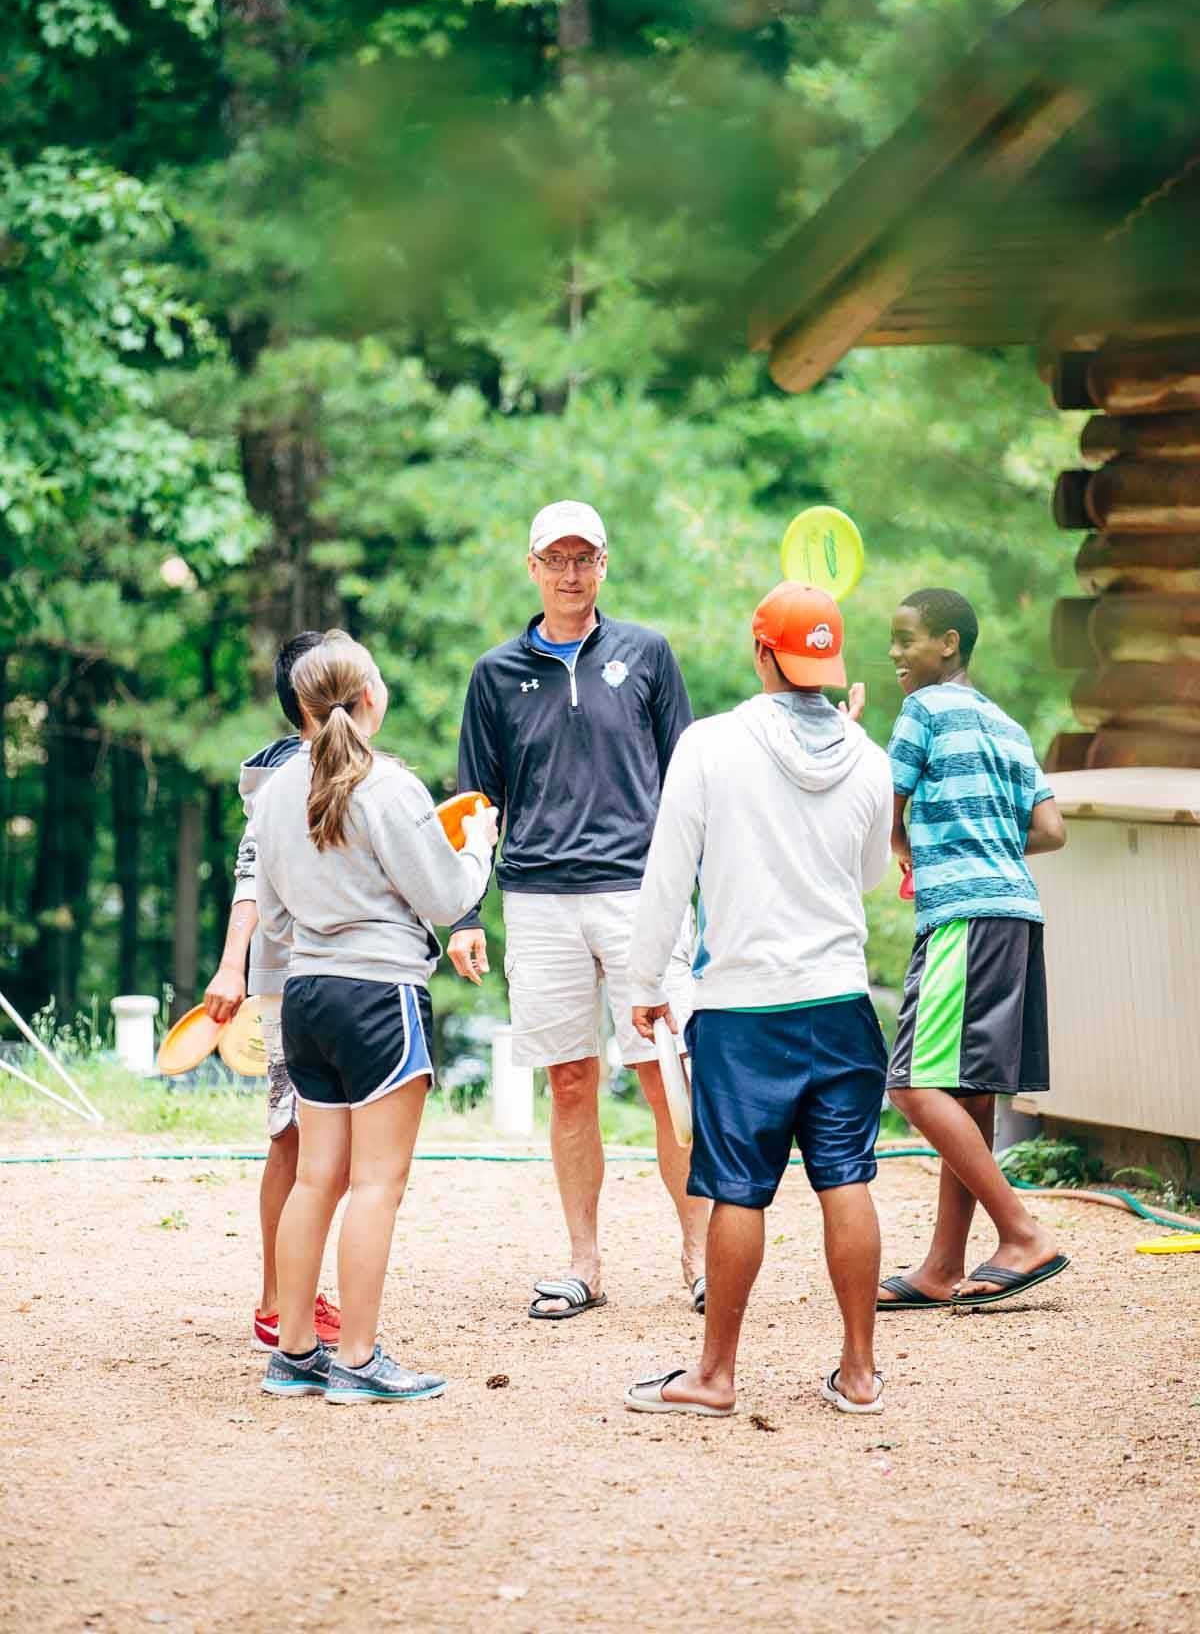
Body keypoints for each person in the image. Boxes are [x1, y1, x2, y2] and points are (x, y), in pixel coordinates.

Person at [624, 582, 893, 1417]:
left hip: (743, 1007)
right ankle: (858, 1373)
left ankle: (714, 1376)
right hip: (842, 1000)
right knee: (846, 1177)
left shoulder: (709, 744)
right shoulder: (871, 758)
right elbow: (870, 876)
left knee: (737, 1187)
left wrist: (643, 986)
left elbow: (667, 875)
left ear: (761, 652)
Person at [448, 500, 708, 1320]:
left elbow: (690, 778)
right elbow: (473, 802)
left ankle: (700, 1258)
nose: (570, 573)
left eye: (584, 558)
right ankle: (585, 1263)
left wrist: (708, 889)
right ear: (531, 567)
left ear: (604, 564)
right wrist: (463, 913)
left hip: (641, 893)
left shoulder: (648, 653)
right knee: (569, 1080)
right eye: (555, 559)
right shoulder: (495, 674)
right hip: (536, 897)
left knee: (664, 1073)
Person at [253, 631, 498, 1402]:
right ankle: (357, 1360)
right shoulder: (389, 787)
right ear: (368, 698)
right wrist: (479, 847)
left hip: (307, 995)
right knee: (377, 1185)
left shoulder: (274, 789)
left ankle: (295, 1353)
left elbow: (275, 915)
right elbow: (449, 898)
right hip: (380, 996)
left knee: (316, 1178)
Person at [878, 588, 1069, 1312]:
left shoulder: (922, 711)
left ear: (949, 643)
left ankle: (1021, 1232)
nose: (896, 653)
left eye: (907, 639)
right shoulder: (1007, 724)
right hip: (1017, 910)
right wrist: (985, 841)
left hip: (962, 915)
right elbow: (1050, 830)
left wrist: (918, 850)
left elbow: (887, 816)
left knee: (911, 1082)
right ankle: (941, 1265)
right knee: (969, 1089)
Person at [202, 630, 343, 1352]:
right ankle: (276, 1301)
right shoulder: (287, 774)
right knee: (294, 1139)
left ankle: (292, 1292)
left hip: (332, 977)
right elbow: (249, 876)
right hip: (291, 979)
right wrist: (233, 966)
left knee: (318, 1143)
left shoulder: (341, 764)